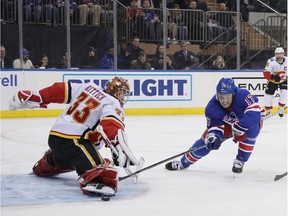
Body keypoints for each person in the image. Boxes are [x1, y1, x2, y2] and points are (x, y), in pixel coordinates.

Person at [9, 76, 143, 197]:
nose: (123, 97)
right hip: (75, 142)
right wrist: (118, 147)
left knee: (73, 156)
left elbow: (60, 90)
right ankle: (96, 181)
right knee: (103, 170)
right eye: (123, 93)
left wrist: (39, 97)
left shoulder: (89, 87)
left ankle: (50, 162)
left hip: (55, 137)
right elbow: (111, 125)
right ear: (116, 91)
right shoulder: (113, 103)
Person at [165, 78, 262, 174]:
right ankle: (184, 162)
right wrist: (214, 136)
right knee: (204, 143)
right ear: (217, 95)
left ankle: (240, 161)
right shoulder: (212, 107)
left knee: (253, 130)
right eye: (221, 97)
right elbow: (215, 126)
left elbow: (254, 112)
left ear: (233, 94)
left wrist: (243, 125)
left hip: (245, 121)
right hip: (227, 124)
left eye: (227, 97)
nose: (224, 101)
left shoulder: (242, 95)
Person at [262, 47, 287, 118]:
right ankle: (268, 110)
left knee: (284, 92)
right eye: (277, 54)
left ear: (284, 54)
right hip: (273, 80)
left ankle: (281, 108)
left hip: (284, 80)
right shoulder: (271, 61)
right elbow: (266, 73)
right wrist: (272, 77)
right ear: (275, 54)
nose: (279, 55)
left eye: (281, 54)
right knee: (268, 94)